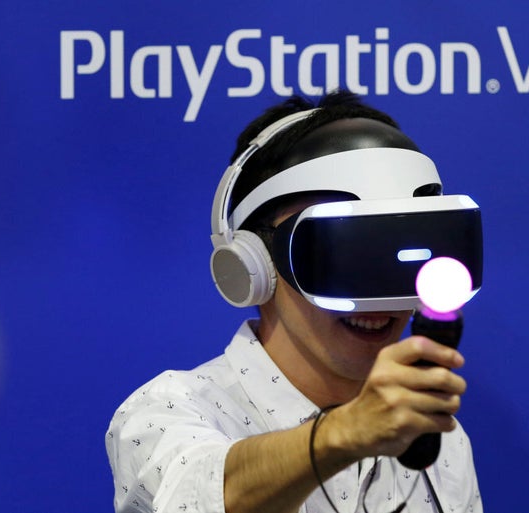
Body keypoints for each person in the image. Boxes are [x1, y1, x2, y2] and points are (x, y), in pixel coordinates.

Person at [106, 90, 483, 513]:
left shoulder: (440, 440)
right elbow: (202, 494)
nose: (374, 302)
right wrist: (346, 431)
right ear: (253, 263)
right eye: (339, 253)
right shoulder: (168, 412)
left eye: (396, 250)